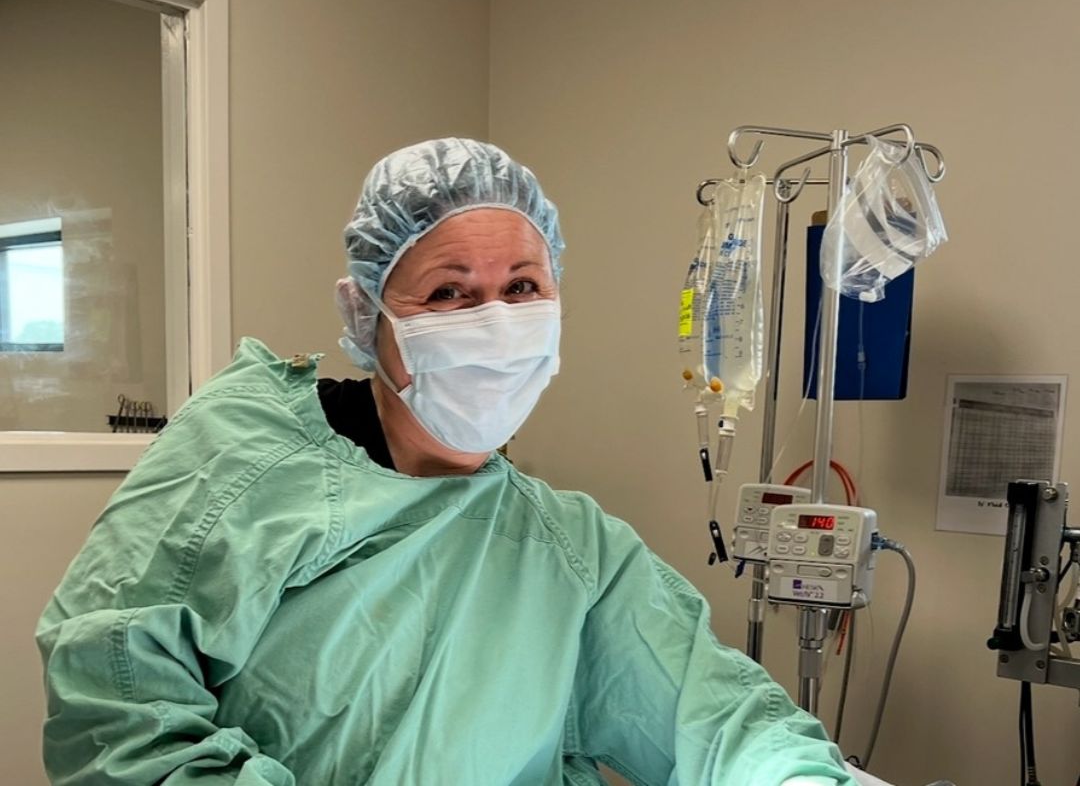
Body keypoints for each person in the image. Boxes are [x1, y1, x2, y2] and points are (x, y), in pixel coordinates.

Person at [38, 138, 886, 786]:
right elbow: (114, 707)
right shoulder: (246, 457)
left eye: (522, 287)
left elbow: (722, 719)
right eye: (448, 292)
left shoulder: (573, 554)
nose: (494, 321)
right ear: (369, 315)